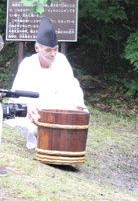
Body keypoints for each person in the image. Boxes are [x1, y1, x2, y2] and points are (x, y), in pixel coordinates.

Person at [8, 16, 87, 150]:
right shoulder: (28, 64)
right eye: (48, 50)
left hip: (58, 107)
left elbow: (72, 85)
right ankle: (38, 140)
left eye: (55, 49)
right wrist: (28, 106)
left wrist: (78, 101)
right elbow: (18, 93)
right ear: (37, 48)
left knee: (79, 112)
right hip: (36, 108)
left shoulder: (61, 60)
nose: (53, 54)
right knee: (26, 121)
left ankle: (64, 141)